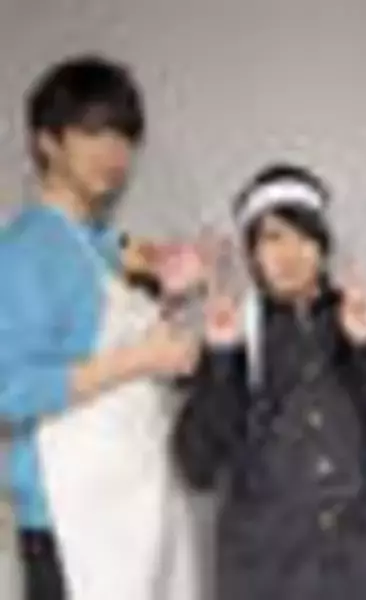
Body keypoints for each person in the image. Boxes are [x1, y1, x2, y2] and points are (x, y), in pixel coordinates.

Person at [172, 163, 366, 600]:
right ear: (251, 251)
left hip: (356, 575)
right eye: (273, 237)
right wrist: (222, 360)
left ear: (323, 243)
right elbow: (197, 466)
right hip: (262, 577)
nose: (290, 254)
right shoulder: (230, 331)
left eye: (304, 235)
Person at [0, 55, 207, 600]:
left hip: (134, 507)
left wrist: (177, 311)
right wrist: (139, 360)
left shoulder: (103, 249)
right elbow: (9, 391)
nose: (116, 153)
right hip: (69, 525)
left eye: (125, 136)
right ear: (48, 142)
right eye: (95, 132)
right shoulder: (25, 249)